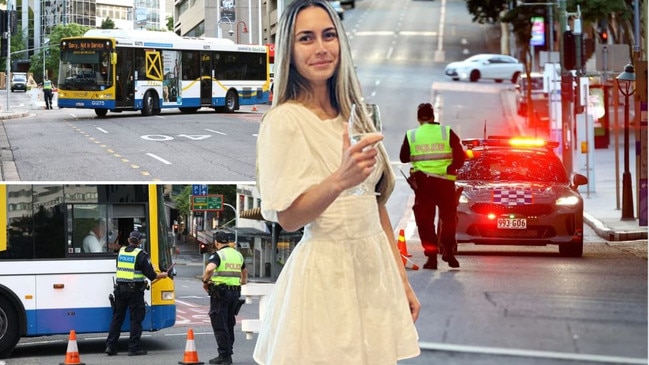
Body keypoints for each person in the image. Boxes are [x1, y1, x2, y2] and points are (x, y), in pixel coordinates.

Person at [253, 0, 420, 363]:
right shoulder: (284, 121)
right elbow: (289, 218)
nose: (321, 48)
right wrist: (339, 180)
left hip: (373, 272)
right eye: (306, 39)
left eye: (329, 35)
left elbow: (376, 205)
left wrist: (401, 280)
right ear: (289, 51)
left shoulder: (355, 113)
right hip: (326, 277)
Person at [399, 102, 465, 270]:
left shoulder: (412, 135)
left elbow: (403, 157)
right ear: (433, 116)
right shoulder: (447, 132)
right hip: (445, 183)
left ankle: (431, 258)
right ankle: (448, 250)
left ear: (418, 118)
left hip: (423, 185)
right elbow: (460, 158)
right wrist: (449, 168)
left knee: (425, 222)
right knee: (449, 219)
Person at [105, 231, 168, 356]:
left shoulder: (121, 252)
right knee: (136, 319)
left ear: (129, 240)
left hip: (120, 290)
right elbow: (151, 275)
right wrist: (163, 275)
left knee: (117, 318)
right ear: (140, 242)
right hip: (134, 292)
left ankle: (110, 346)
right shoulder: (141, 254)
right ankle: (134, 348)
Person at [202, 231, 247, 365]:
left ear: (216, 242)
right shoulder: (237, 254)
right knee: (229, 323)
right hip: (235, 293)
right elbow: (244, 271)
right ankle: (228, 351)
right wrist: (243, 281)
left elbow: (210, 269)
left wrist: (205, 280)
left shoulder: (218, 255)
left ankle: (224, 356)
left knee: (219, 324)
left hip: (220, 294)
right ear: (227, 241)